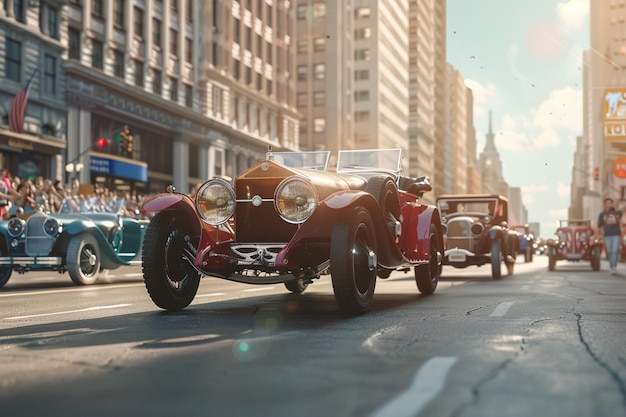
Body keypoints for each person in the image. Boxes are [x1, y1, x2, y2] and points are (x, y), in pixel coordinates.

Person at [597, 197, 623, 275]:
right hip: (607, 236)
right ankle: (612, 266)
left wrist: (620, 206)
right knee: (610, 252)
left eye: (611, 203)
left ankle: (614, 267)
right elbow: (599, 226)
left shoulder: (618, 213)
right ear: (605, 204)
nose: (609, 204)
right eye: (607, 203)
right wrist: (598, 235)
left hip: (616, 235)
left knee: (615, 251)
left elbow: (622, 212)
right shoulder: (602, 214)